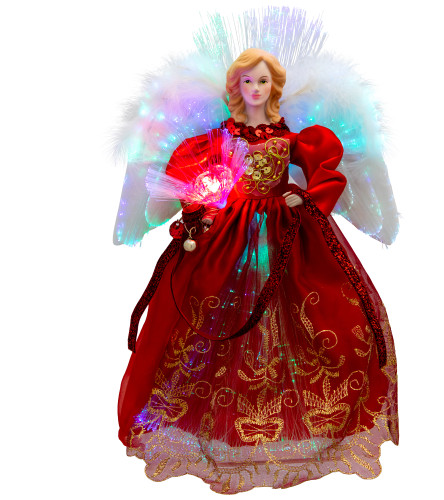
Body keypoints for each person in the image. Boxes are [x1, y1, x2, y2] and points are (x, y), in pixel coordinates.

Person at [118, 48, 398, 494]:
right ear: (235, 86)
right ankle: (209, 424)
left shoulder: (289, 137)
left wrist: (307, 197)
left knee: (318, 315)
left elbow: (326, 166)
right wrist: (200, 207)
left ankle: (306, 423)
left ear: (274, 87)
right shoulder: (219, 135)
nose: (255, 89)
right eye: (247, 81)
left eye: (263, 81)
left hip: (286, 230)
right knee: (211, 313)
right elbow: (191, 173)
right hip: (229, 234)